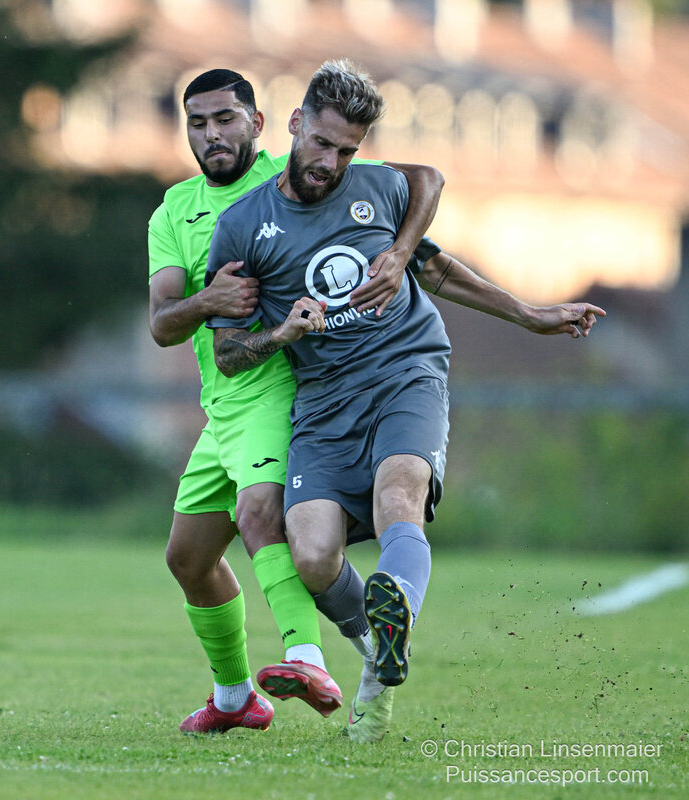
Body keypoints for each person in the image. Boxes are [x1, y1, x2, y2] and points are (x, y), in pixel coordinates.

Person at [205, 59, 605, 742]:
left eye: (346, 151)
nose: (331, 163)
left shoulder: (377, 187)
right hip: (322, 399)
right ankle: (380, 658)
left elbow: (432, 222)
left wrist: (526, 312)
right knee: (312, 555)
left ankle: (391, 630)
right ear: (295, 124)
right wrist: (283, 333)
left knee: (400, 496)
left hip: (405, 370)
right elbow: (229, 353)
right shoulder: (243, 226)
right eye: (321, 144)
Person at [148, 68, 444, 733]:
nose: (212, 134)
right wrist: (207, 301)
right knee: (188, 559)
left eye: (226, 119)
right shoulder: (173, 210)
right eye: (198, 123)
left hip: (282, 389)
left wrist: (401, 254)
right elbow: (163, 323)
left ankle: (308, 658)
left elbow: (420, 189)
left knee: (261, 513)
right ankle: (236, 699)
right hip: (223, 404)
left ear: (262, 124)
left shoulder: (305, 172)